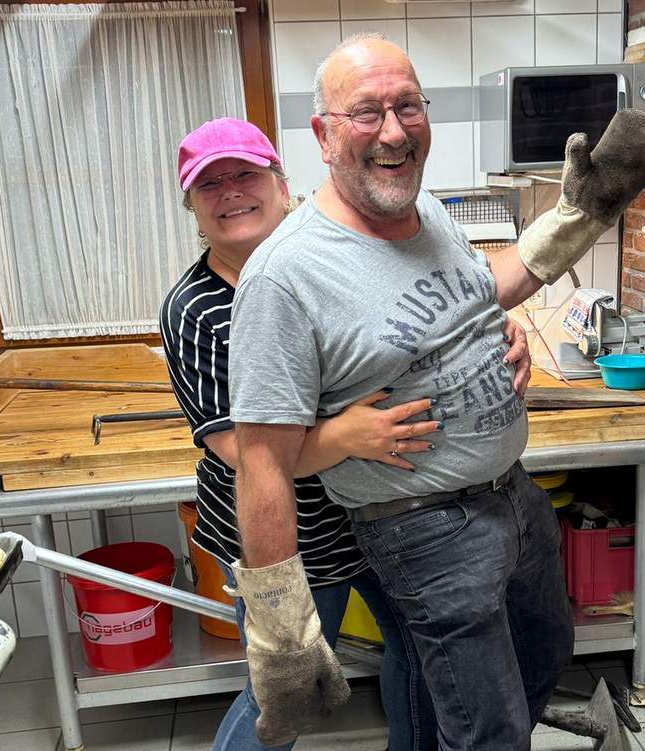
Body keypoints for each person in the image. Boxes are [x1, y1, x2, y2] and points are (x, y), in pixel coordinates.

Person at [225, 34, 645, 751]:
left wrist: (577, 221)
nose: (394, 132)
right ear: (323, 134)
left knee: (543, 658)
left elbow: (475, 290)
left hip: (513, 495)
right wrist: (281, 630)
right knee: (489, 728)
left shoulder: (422, 209)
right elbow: (261, 460)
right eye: (367, 113)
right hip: (425, 527)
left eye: (408, 106)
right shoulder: (285, 277)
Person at [159, 117, 534, 750]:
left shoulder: (351, 251)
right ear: (193, 209)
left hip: (390, 516)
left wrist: (493, 329)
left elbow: (428, 319)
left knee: (419, 657)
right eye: (210, 185)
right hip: (296, 538)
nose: (232, 193)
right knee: (286, 689)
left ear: (282, 186)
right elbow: (242, 453)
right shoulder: (196, 308)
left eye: (246, 175)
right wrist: (346, 437)